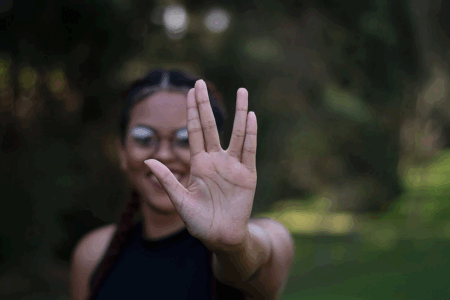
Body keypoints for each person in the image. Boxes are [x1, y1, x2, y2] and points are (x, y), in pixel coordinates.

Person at [69, 69, 295, 300]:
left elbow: (257, 264)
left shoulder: (265, 237)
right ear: (122, 152)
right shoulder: (94, 253)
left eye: (185, 139)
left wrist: (234, 248)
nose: (164, 155)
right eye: (145, 138)